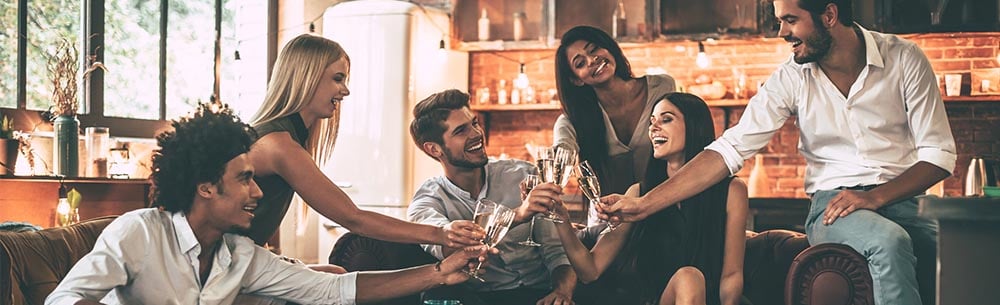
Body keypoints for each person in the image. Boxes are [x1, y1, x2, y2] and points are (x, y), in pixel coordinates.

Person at [601, 1, 955, 305]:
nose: (781, 32)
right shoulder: (791, 78)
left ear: (829, 15)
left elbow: (938, 155)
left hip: (905, 199)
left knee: (958, 257)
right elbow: (729, 149)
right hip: (834, 207)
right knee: (888, 242)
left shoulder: (904, 58)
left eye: (790, 19)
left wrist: (876, 197)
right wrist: (643, 204)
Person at [45, 104, 482, 305]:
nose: (257, 194)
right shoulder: (138, 232)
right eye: (245, 179)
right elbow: (66, 299)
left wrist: (438, 272)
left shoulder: (240, 255)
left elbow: (334, 290)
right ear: (205, 186)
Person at [246, 34, 481, 250]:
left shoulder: (287, 136)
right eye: (338, 79)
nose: (345, 91)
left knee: (336, 273)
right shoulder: (279, 144)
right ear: (307, 77)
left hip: (246, 257)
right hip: (228, 265)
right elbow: (353, 218)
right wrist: (441, 234)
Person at [547, 93, 747, 305]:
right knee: (689, 278)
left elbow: (732, 275)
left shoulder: (732, 190)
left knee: (689, 278)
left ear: (694, 125)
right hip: (655, 300)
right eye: (651, 122)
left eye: (666, 119)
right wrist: (560, 217)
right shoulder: (638, 194)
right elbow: (590, 270)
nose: (653, 128)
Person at [408, 89, 577, 305]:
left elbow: (557, 250)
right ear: (434, 149)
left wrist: (562, 293)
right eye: (461, 131)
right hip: (481, 298)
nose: (477, 134)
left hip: (541, 293)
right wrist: (518, 215)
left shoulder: (523, 174)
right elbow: (448, 245)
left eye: (475, 123)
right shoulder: (427, 201)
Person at [552, 25, 677, 226]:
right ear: (576, 79)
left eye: (594, 50)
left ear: (609, 48)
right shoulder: (572, 120)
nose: (592, 60)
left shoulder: (662, 87)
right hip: (610, 222)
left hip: (663, 213)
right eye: (580, 63)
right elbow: (561, 153)